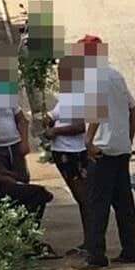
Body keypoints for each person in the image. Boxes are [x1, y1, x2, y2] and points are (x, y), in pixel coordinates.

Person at [79, 35, 135, 269]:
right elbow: (134, 110)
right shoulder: (116, 75)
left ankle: (96, 255)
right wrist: (128, 139)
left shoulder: (92, 78)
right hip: (121, 148)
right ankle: (131, 250)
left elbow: (96, 113)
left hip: (102, 149)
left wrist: (88, 141)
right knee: (124, 203)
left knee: (97, 204)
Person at [45, 98, 89, 256]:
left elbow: (79, 126)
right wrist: (49, 120)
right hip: (65, 152)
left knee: (84, 198)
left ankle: (92, 242)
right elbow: (54, 115)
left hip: (72, 153)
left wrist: (55, 131)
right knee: (82, 198)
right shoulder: (66, 97)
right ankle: (90, 241)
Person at [0, 106, 31, 183]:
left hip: (15, 146)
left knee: (22, 178)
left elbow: (22, 120)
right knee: (3, 180)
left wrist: (25, 142)